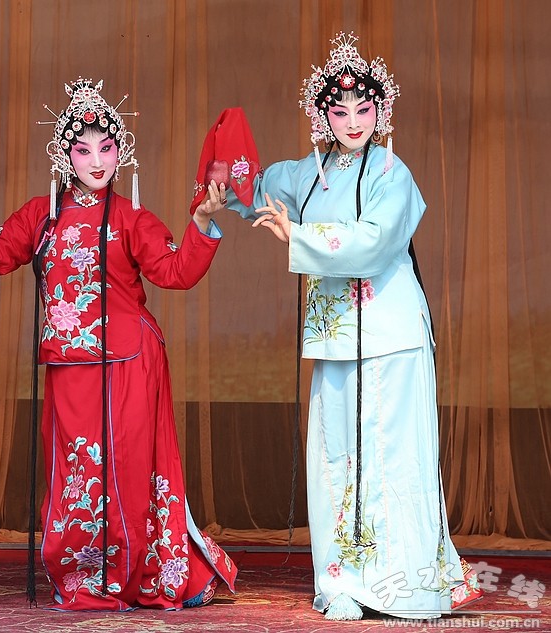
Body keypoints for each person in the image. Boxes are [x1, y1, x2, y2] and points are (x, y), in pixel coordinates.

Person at [221, 33, 482, 620]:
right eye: (340, 111)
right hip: (336, 338)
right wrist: (222, 170)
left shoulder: (393, 172)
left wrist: (298, 234)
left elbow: (375, 242)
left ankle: (403, 583)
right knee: (336, 455)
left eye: (364, 109)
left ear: (380, 111)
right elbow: (252, 188)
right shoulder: (307, 174)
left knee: (392, 455)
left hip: (392, 333)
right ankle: (340, 580)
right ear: (322, 116)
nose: (354, 121)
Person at [0, 78, 238, 611]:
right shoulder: (41, 216)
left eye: (106, 148)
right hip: (69, 363)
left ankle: (144, 571)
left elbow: (175, 272)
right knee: (78, 470)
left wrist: (201, 221)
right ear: (64, 155)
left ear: (120, 152)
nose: (97, 161)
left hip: (131, 360)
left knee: (129, 467)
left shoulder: (132, 217)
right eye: (83, 150)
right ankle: (83, 573)